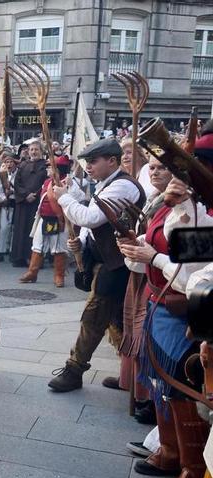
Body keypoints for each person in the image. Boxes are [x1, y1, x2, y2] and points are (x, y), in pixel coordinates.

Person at [120, 173, 213, 478]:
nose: (171, 180)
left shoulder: (204, 217)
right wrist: (136, 249)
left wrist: (153, 257)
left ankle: (193, 469)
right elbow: (149, 258)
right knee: (162, 386)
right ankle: (171, 452)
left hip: (182, 311)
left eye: (181, 173)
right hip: (159, 305)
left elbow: (195, 279)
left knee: (181, 387)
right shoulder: (165, 209)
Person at [48, 138, 145, 392]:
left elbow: (91, 218)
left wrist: (65, 199)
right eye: (87, 162)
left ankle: (74, 369)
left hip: (117, 264)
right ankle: (132, 375)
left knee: (94, 316)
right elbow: (93, 218)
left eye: (93, 161)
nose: (88, 167)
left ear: (112, 161)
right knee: (115, 320)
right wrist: (80, 242)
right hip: (105, 260)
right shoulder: (106, 184)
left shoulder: (123, 185)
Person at [111, 155, 172, 424]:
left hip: (162, 280)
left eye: (163, 168)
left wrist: (147, 251)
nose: (155, 172)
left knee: (148, 337)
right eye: (153, 168)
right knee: (134, 328)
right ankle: (138, 389)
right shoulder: (154, 199)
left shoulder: (177, 204)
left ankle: (151, 399)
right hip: (144, 272)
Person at [19, 155, 73, 286]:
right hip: (44, 218)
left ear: (58, 169)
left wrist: (69, 186)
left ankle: (59, 275)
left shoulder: (69, 182)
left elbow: (76, 198)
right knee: (37, 245)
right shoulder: (47, 182)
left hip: (60, 220)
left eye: (51, 167)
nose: (48, 169)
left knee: (59, 248)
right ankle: (32, 272)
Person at [10, 141, 48, 267]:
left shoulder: (45, 166)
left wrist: (35, 195)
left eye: (36, 149)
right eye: (31, 149)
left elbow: (45, 183)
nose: (34, 152)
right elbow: (17, 183)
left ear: (41, 151)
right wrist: (26, 195)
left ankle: (33, 259)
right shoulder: (22, 165)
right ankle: (19, 257)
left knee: (35, 231)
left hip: (37, 203)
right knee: (20, 229)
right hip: (23, 202)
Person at [0, 151, 17, 262]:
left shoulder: (18, 174)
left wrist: (13, 191)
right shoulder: (0, 174)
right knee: (4, 228)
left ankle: (12, 250)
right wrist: (3, 198)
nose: (9, 164)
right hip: (5, 204)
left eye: (11, 161)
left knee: (14, 228)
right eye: (6, 162)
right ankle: (0, 251)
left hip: (16, 203)